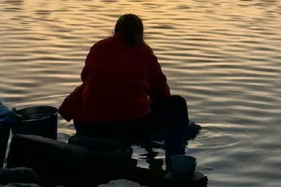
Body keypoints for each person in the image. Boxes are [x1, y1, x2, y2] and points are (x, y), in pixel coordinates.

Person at [59, 13, 192, 162]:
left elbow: (86, 78)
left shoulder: (98, 47)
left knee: (82, 90)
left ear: (116, 30)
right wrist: (148, 103)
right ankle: (175, 162)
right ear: (139, 33)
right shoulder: (143, 51)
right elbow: (161, 92)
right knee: (176, 103)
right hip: (126, 127)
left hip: (87, 125)